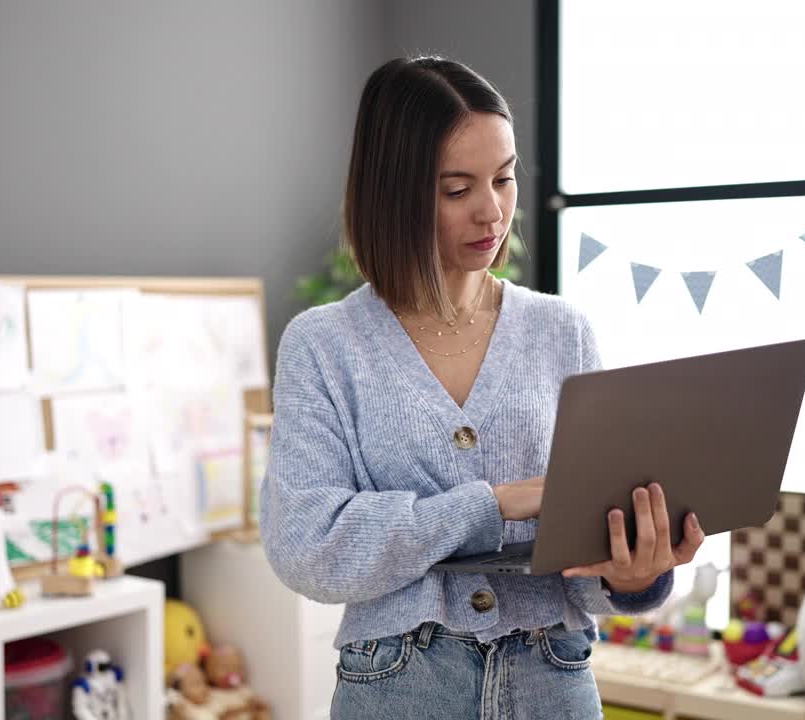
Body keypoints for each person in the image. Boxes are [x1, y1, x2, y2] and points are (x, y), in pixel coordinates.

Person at [260, 56, 706, 720]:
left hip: (553, 677)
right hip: (399, 683)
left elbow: (586, 564)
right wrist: (492, 506)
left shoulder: (563, 331)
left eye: (504, 178)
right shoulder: (325, 344)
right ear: (395, 193)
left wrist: (634, 577)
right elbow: (308, 548)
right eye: (456, 188)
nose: (492, 212)